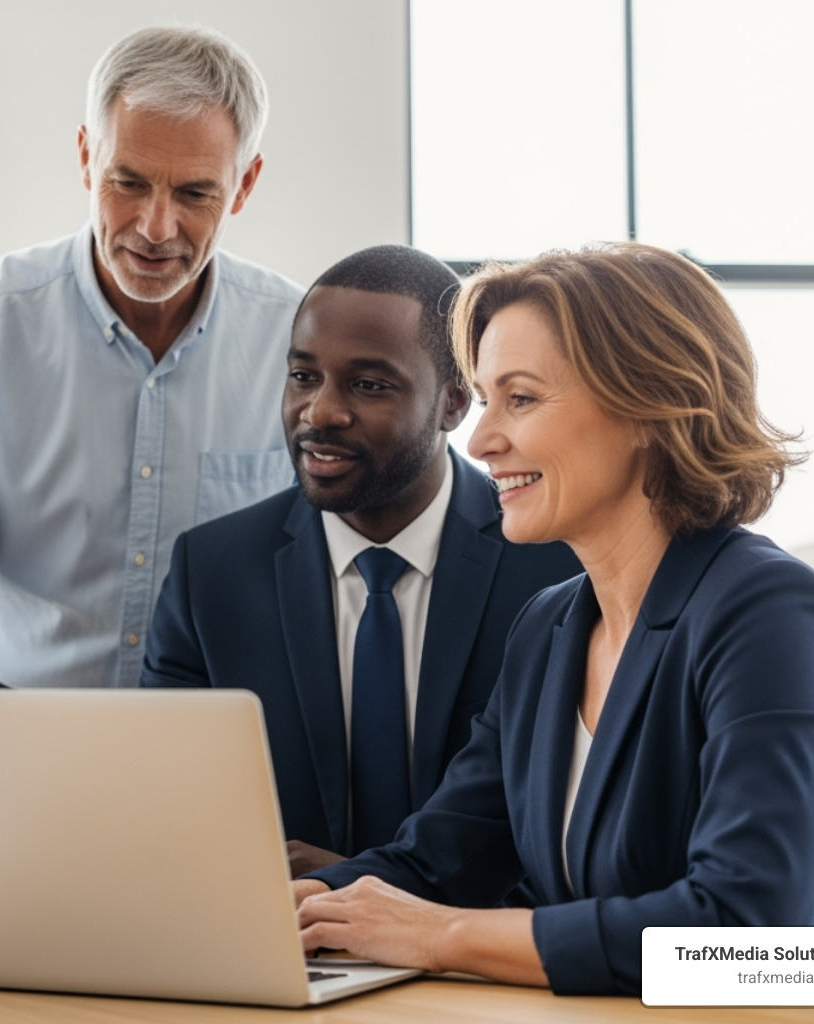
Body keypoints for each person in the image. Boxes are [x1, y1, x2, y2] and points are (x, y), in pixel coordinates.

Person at [291, 243, 814, 995]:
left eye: (523, 399)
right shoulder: (548, 630)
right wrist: (295, 909)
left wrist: (446, 936)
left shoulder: (770, 612)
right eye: (483, 400)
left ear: (647, 408)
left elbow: (748, 933)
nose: (479, 442)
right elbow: (438, 858)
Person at [141, 246, 579, 876]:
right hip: (292, 949)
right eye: (303, 376)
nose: (320, 412)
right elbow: (166, 811)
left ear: (455, 402)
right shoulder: (210, 573)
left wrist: (371, 885)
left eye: (369, 385)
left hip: (483, 954)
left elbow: (567, 825)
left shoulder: (554, 567)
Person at [0, 26, 303, 690]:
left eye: (196, 193)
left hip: (214, 736)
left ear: (244, 184)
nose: (155, 226)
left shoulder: (298, 347)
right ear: (87, 158)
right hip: (20, 725)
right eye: (129, 181)